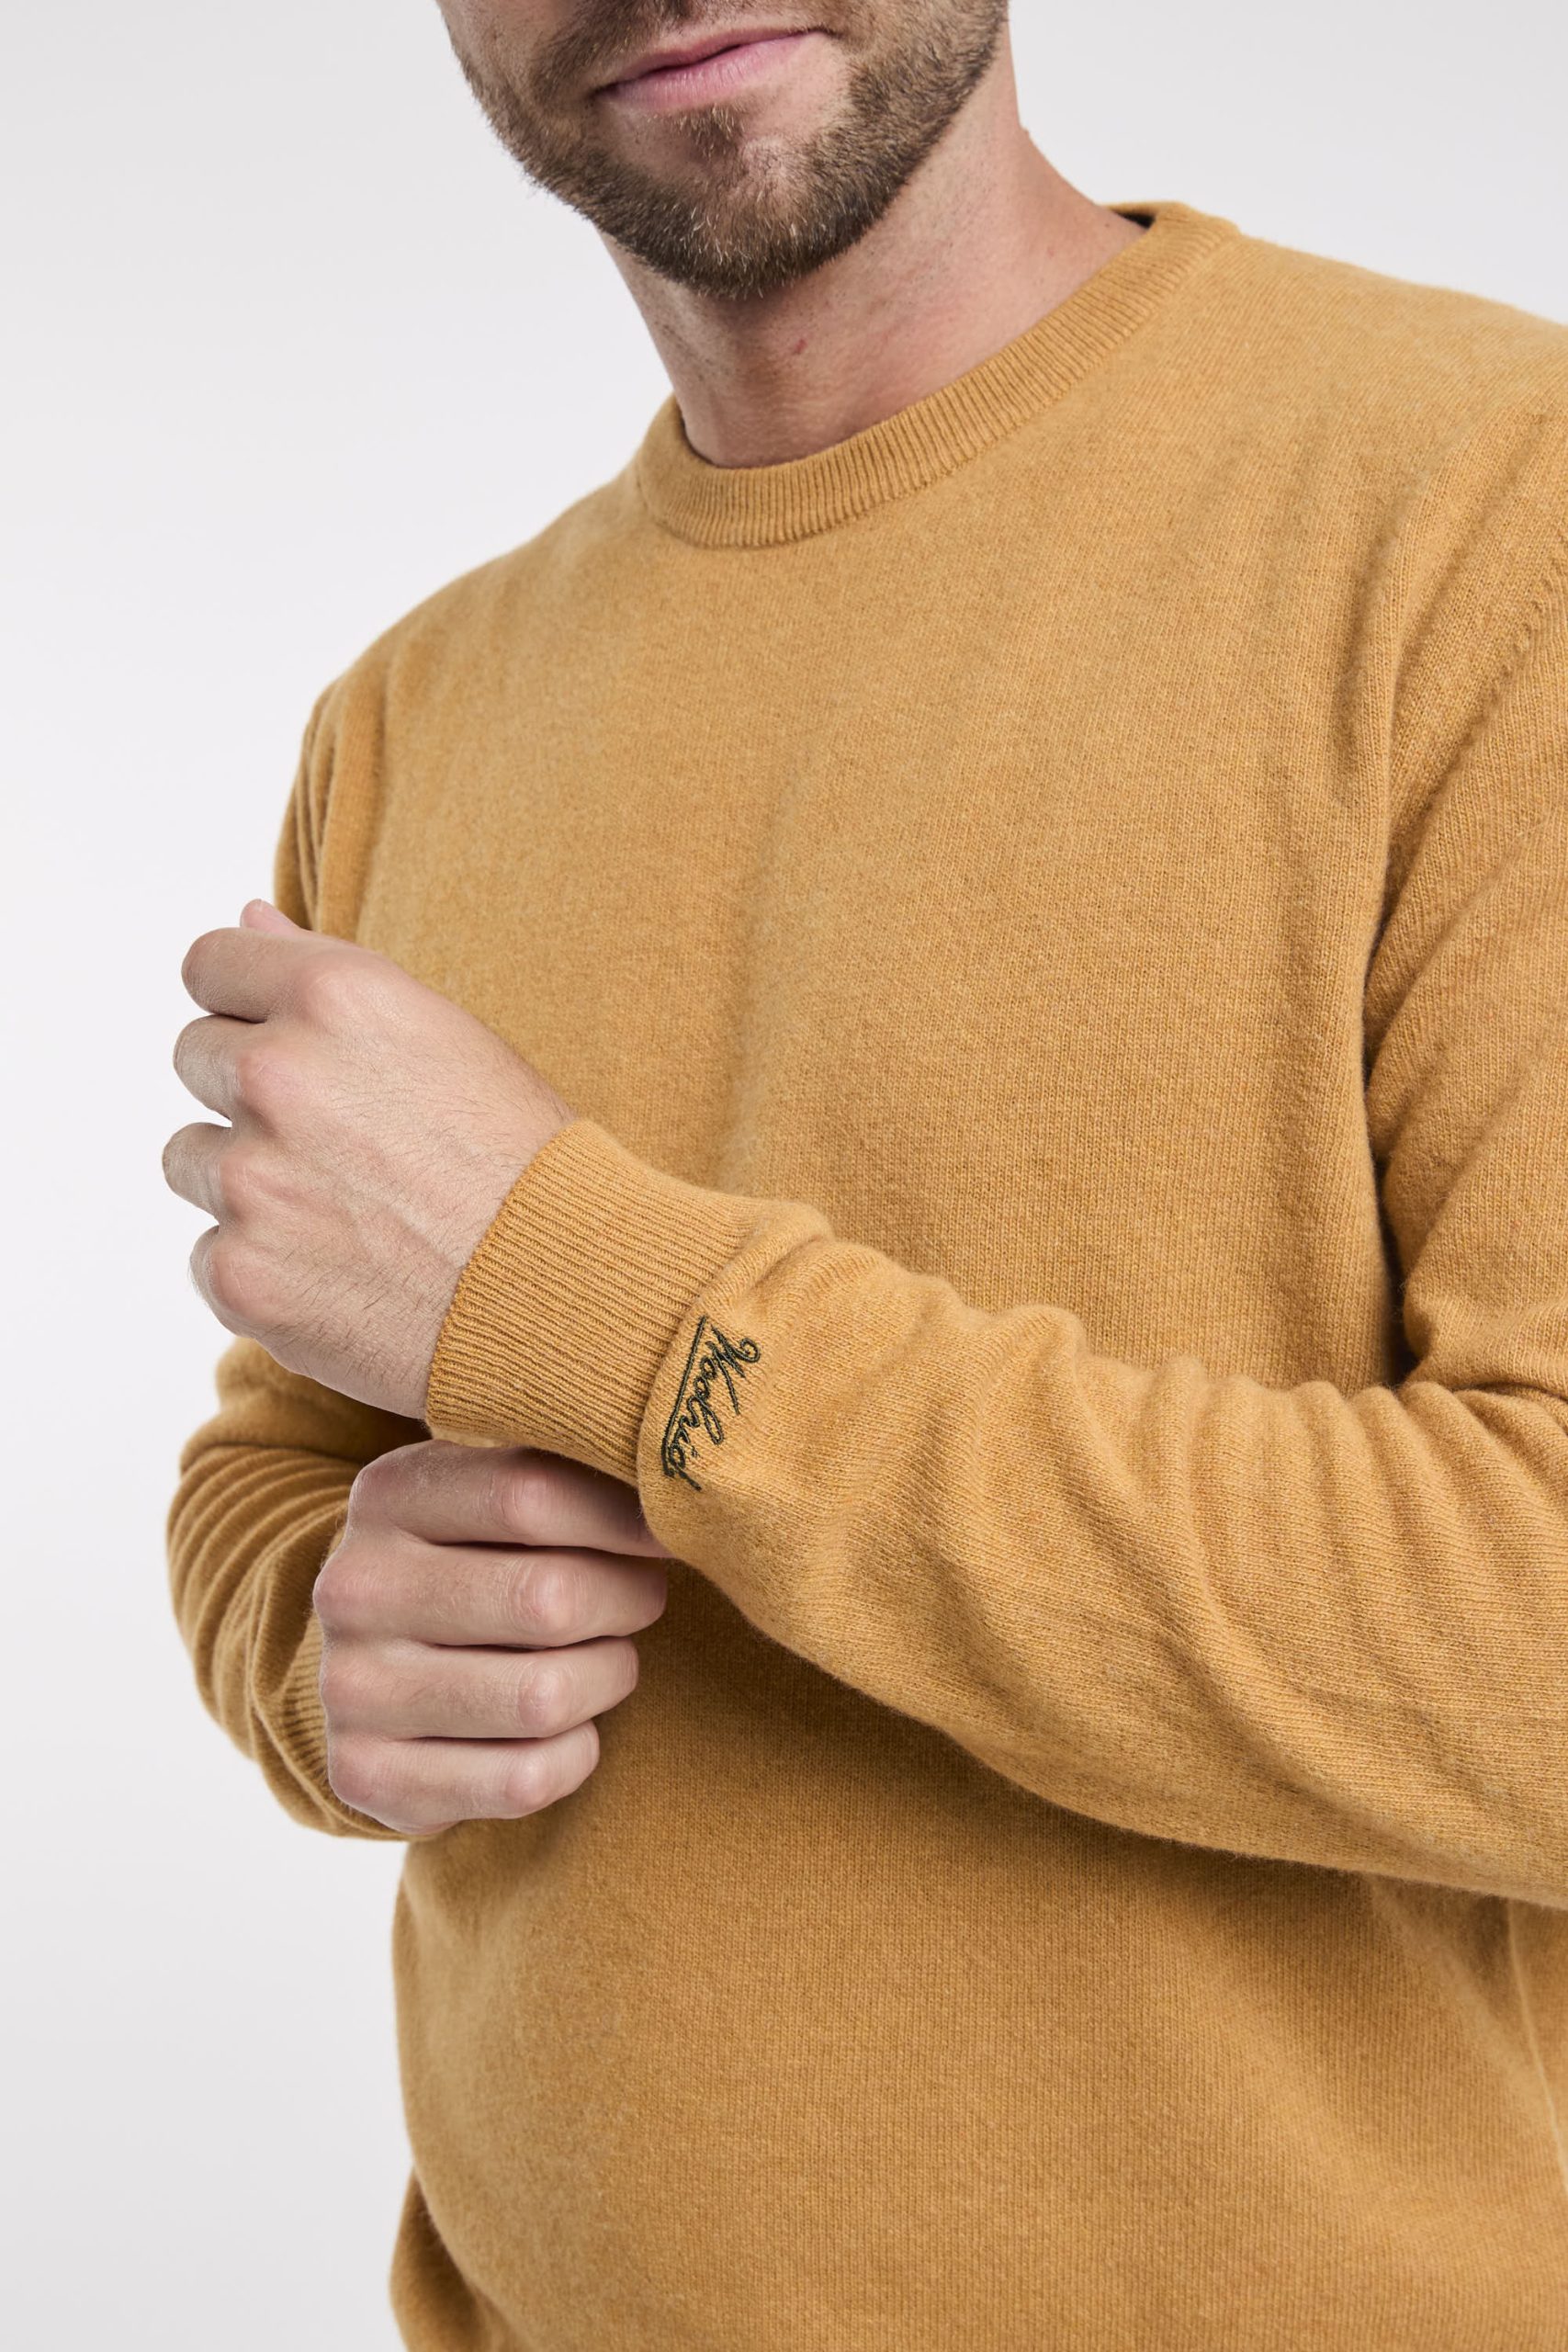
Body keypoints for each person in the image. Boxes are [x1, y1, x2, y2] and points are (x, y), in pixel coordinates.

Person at [162, 5, 1568, 2346]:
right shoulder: (411, 709)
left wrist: (615, 1313)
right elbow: (276, 1465)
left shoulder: (1494, 513)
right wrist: (324, 1644)